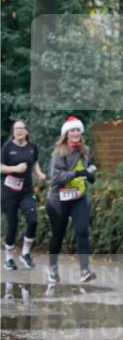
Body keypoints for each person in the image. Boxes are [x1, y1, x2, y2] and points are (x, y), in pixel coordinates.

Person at [45, 116, 97, 284]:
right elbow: (56, 177)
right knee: (58, 235)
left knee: (82, 231)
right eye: (72, 130)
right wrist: (77, 174)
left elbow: (89, 167)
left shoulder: (85, 150)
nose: (75, 133)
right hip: (58, 199)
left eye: (78, 130)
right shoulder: (58, 152)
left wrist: (90, 174)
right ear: (66, 134)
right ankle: (52, 267)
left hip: (78, 198)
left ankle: (84, 270)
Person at [1, 119, 45, 270]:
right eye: (15, 129)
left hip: (26, 192)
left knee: (33, 221)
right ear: (13, 132)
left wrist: (39, 173)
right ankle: (8, 258)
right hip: (9, 192)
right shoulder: (7, 147)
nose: (18, 131)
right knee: (12, 225)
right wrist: (15, 168)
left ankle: (25, 253)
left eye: (21, 128)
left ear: (27, 131)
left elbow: (34, 163)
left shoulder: (32, 148)